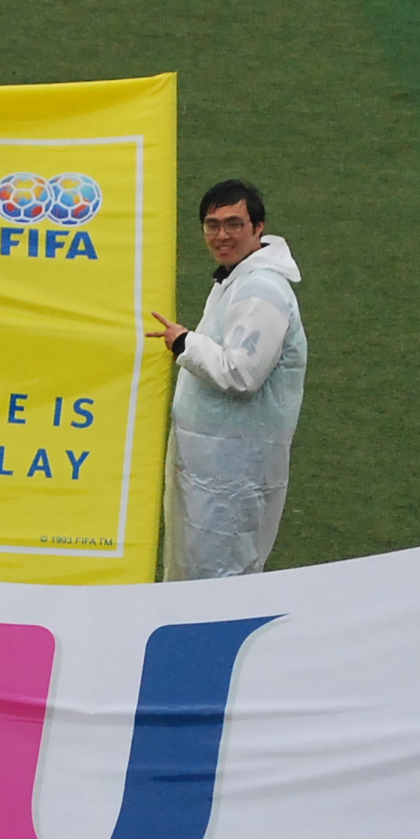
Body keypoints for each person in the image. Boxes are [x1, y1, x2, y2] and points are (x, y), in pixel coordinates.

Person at [145, 180, 307, 580]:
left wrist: (184, 343)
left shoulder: (261, 290)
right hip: (214, 464)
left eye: (234, 224)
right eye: (212, 225)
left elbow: (242, 373)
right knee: (197, 566)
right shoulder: (237, 281)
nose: (222, 235)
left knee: (219, 572)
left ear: (258, 228)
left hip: (233, 469)